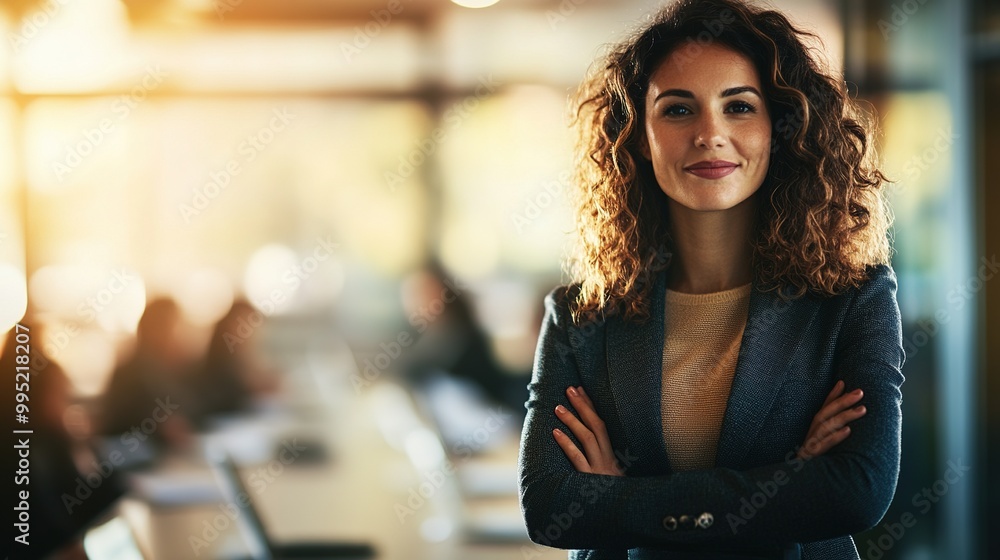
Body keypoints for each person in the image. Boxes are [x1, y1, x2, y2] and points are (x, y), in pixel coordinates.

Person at [517, 1, 904, 559]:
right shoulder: (579, 314)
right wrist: (786, 483)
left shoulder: (853, 301)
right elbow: (551, 509)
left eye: (739, 106)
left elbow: (857, 494)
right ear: (638, 137)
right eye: (678, 110)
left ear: (778, 127)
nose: (710, 134)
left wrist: (620, 500)